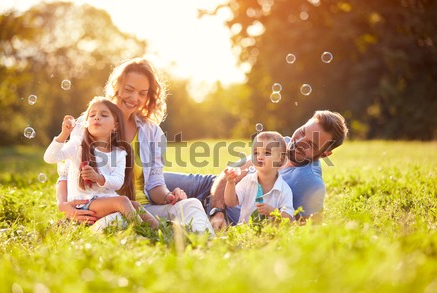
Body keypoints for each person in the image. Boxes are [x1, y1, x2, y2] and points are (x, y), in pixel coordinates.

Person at [56, 58, 214, 235]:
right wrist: (64, 207)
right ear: (116, 87)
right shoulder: (87, 124)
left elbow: (155, 185)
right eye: (129, 90)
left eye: (142, 93)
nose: (134, 98)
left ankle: (207, 245)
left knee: (191, 205)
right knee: (114, 222)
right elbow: (64, 176)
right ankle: (152, 235)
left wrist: (169, 196)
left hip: (143, 211)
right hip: (102, 211)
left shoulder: (152, 132)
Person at [163, 110, 349, 230]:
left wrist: (273, 215)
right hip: (210, 190)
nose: (298, 142)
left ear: (325, 154)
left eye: (310, 144)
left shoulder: (311, 183)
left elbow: (307, 233)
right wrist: (217, 211)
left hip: (229, 218)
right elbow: (230, 172)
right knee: (146, 180)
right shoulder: (281, 143)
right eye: (301, 132)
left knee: (158, 208)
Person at [44, 96, 151, 226]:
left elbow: (118, 182)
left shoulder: (119, 153)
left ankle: (160, 230)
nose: (97, 117)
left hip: (104, 201)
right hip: (83, 204)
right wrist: (64, 135)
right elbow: (50, 157)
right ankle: (143, 232)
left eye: (104, 115)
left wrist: (99, 177)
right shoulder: (77, 145)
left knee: (135, 205)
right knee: (122, 201)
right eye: (92, 115)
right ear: (86, 123)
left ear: (115, 126)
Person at [224, 131, 294, 223]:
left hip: (270, 234)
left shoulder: (284, 189)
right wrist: (230, 183)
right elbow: (231, 202)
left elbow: (289, 219)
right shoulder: (247, 181)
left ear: (280, 159)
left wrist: (272, 212)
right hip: (246, 232)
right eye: (256, 153)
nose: (259, 157)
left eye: (267, 153)